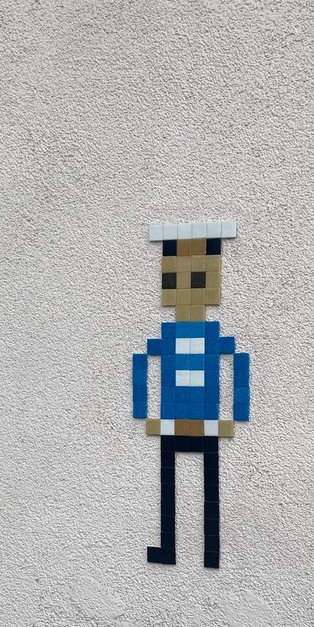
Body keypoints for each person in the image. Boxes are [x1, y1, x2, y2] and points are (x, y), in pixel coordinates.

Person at [132, 221, 250, 568]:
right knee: (168, 483)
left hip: (207, 421)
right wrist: (146, 413)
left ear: (211, 284)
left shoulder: (212, 337)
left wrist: (233, 416)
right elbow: (143, 363)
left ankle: (209, 546)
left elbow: (238, 361)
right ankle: (168, 547)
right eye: (175, 280)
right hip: (170, 420)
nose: (186, 288)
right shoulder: (168, 337)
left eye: (198, 280)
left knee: (208, 481)